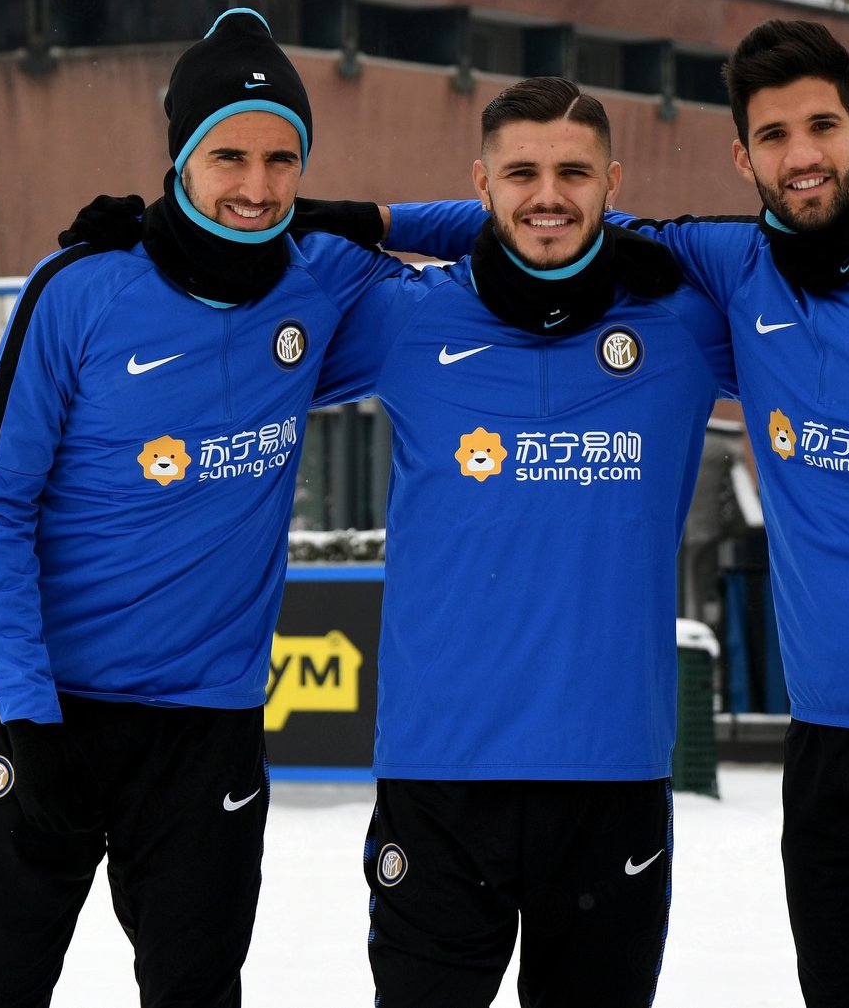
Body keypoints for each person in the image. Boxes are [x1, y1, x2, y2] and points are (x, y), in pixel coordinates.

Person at [385, 21, 849, 1007]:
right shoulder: (735, 269)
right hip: (827, 747)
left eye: (822, 126)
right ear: (744, 157)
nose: (802, 155)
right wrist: (364, 217)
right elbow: (550, 218)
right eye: (774, 136)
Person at [0, 7, 398, 1008]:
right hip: (50, 714)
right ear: (181, 156)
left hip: (207, 731)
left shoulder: (320, 281)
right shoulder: (78, 288)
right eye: (229, 155)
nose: (257, 186)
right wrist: (29, 717)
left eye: (283, 160)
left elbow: (494, 248)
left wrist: (371, 217)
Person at [310, 78, 735, 1007]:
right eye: (521, 174)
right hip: (438, 771)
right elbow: (233, 292)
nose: (549, 195)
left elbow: (814, 274)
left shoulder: (684, 320)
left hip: (611, 771)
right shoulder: (405, 317)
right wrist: (139, 240)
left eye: (574, 172)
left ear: (613, 182)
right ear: (480, 184)